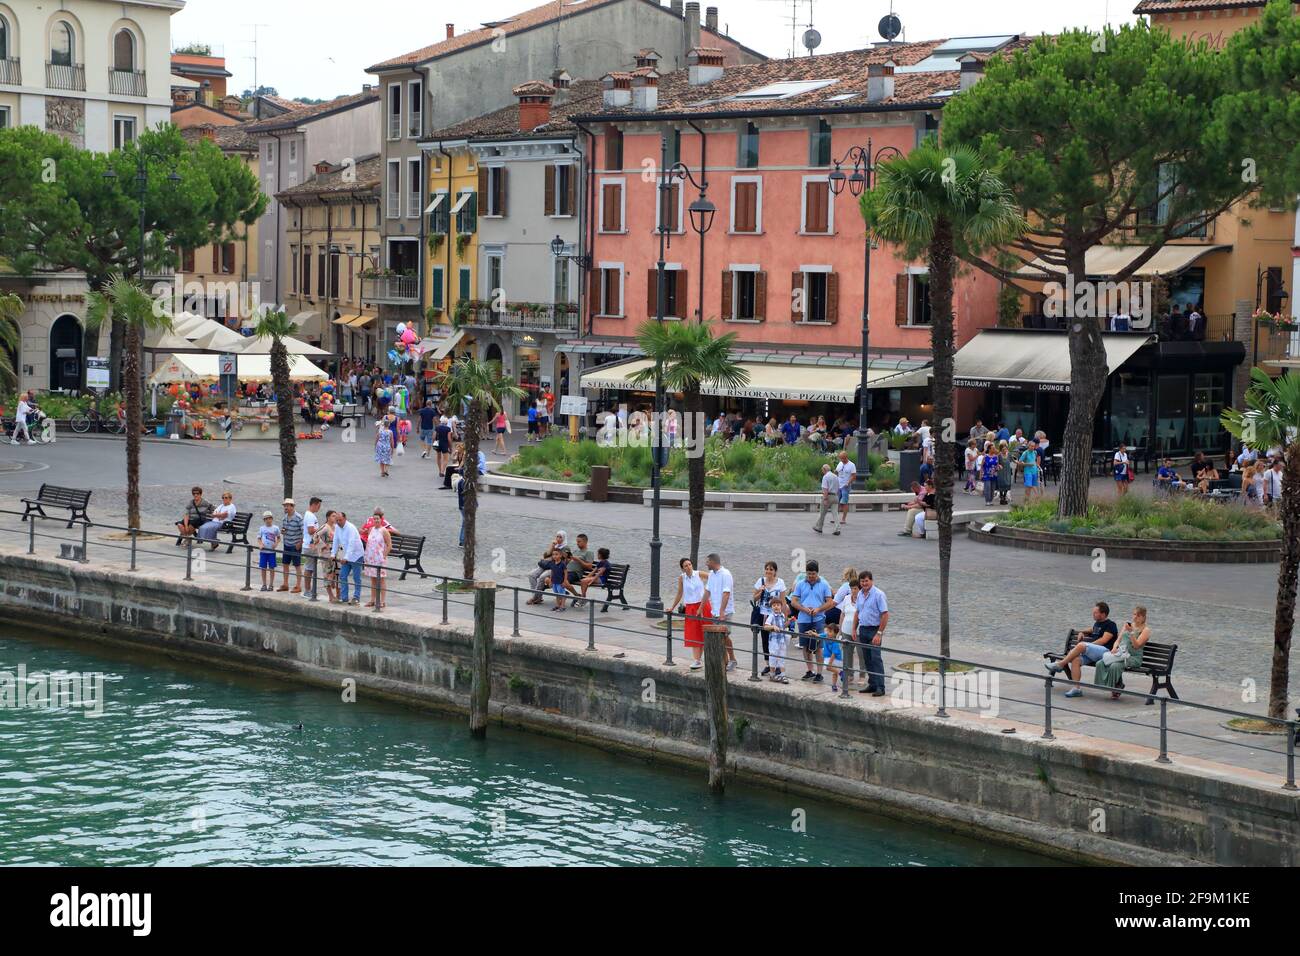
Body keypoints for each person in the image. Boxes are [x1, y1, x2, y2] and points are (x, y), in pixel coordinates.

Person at [1045, 601, 1119, 698]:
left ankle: (1060, 664)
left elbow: (1103, 640)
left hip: (1105, 652)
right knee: (1076, 659)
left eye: (1095, 612)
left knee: (1081, 645)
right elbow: (1092, 630)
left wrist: (1086, 646)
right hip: (1094, 653)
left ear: (1103, 614)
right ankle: (1076, 689)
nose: (1093, 614)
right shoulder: (1097, 623)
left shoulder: (1111, 625)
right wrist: (1082, 632)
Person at [790, 560, 833, 683]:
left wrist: (819, 609)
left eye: (813, 574)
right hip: (803, 619)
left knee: (818, 647)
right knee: (805, 646)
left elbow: (829, 602)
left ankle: (819, 673)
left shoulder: (824, 584)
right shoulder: (800, 584)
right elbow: (793, 601)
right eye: (809, 574)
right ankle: (810, 670)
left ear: (817, 573)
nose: (811, 576)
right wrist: (804, 609)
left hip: (818, 619)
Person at [1094, 606, 1151, 699]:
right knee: (1101, 663)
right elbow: (1118, 640)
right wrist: (1114, 648)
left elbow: (1137, 646)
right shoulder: (1128, 625)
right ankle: (1114, 685)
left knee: (1114, 666)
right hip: (1121, 654)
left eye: (1138, 615)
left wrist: (1131, 633)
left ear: (1143, 617)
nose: (1135, 617)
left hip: (1133, 657)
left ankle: (1116, 687)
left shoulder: (1146, 630)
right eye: (1134, 614)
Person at [855, 570, 889, 696]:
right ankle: (872, 684)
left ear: (871, 581)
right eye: (862, 581)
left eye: (866, 581)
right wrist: (854, 629)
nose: (864, 583)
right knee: (867, 658)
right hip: (863, 629)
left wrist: (879, 633)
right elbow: (857, 612)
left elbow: (885, 614)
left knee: (876, 658)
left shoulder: (879, 594)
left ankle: (881, 687)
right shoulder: (859, 594)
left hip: (875, 630)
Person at [751, 561, 787, 677]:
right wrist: (760, 591)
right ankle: (768, 664)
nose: (768, 571)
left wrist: (785, 617)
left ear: (775, 571)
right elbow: (755, 598)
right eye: (767, 569)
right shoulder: (760, 581)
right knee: (765, 640)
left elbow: (783, 601)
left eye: (771, 569)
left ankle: (777, 666)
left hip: (776, 615)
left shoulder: (780, 582)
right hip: (763, 614)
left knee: (777, 641)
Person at [704, 553, 737, 672]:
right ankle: (724, 661)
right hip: (715, 612)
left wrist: (722, 611)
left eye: (708, 561)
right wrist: (701, 608)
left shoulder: (726, 574)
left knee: (725, 636)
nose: (706, 563)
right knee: (718, 638)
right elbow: (707, 591)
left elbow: (726, 593)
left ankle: (732, 660)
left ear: (713, 562)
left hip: (725, 612)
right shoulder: (712, 574)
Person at [331, 511, 364, 606]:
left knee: (356, 577)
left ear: (345, 519)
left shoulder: (351, 528)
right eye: (337, 520)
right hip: (346, 555)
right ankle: (344, 597)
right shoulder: (337, 527)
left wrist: (346, 557)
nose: (338, 522)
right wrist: (333, 553)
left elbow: (351, 544)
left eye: (340, 520)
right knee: (342, 575)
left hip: (356, 555)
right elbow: (336, 540)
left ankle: (356, 597)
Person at [363, 511, 391, 612]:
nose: (376, 520)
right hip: (371, 558)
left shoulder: (384, 531)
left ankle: (382, 601)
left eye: (377, 519)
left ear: (381, 519)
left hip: (379, 559)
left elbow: (389, 545)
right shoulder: (371, 529)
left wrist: (384, 556)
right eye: (374, 519)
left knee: (381, 579)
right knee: (373, 580)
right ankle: (372, 600)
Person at [761, 593, 792, 684]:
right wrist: (773, 626)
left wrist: (789, 622)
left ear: (781, 606)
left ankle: (783, 675)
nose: (776, 607)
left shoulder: (782, 615)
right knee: (773, 656)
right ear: (771, 607)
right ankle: (772, 674)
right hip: (774, 640)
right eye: (774, 605)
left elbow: (782, 626)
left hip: (781, 640)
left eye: (778, 605)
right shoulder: (771, 616)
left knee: (782, 657)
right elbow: (765, 627)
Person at [277, 498, 305, 593]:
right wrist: (283, 531)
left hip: (295, 545)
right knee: (285, 564)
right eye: (284, 506)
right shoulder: (284, 518)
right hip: (287, 544)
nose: (285, 507)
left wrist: (300, 543)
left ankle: (298, 585)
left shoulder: (298, 517)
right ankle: (285, 584)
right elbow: (284, 529)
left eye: (287, 505)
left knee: (297, 565)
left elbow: (304, 532)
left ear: (292, 506)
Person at [566, 533, 596, 606]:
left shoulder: (589, 552)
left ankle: (577, 596)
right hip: (567, 571)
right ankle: (573, 595)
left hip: (575, 573)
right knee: (552, 578)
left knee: (562, 581)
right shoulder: (576, 551)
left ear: (585, 542)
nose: (577, 543)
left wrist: (578, 560)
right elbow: (569, 561)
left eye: (579, 542)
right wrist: (567, 558)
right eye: (577, 542)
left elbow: (589, 566)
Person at [302, 497, 323, 594]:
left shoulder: (309, 515)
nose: (319, 508)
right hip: (310, 545)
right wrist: (322, 530)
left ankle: (309, 589)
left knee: (310, 568)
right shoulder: (310, 516)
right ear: (314, 505)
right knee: (309, 568)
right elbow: (310, 530)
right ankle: (307, 590)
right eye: (318, 506)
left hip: (310, 544)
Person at [813, 463, 841, 535]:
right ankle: (837, 529)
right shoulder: (835, 476)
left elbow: (825, 489)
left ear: (824, 469)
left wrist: (825, 499)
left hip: (828, 496)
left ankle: (819, 527)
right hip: (835, 496)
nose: (822, 471)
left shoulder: (825, 477)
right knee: (835, 514)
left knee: (822, 513)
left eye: (822, 470)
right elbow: (838, 488)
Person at [256, 511, 280, 592]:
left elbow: (279, 537)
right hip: (263, 552)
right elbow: (259, 538)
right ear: (264, 520)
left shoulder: (275, 528)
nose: (268, 520)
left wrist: (276, 544)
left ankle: (271, 584)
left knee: (272, 568)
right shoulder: (262, 528)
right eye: (266, 519)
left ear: (272, 519)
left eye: (269, 518)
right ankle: (264, 584)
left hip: (271, 552)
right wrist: (260, 544)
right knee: (263, 568)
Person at [822, 617, 845, 694]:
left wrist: (830, 663)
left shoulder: (835, 642)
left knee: (827, 667)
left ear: (835, 633)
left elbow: (834, 654)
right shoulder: (825, 636)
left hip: (834, 658)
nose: (828, 633)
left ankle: (841, 673)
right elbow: (819, 635)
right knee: (834, 673)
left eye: (830, 631)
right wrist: (813, 633)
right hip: (833, 658)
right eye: (827, 631)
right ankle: (834, 685)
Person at [835, 450, 857, 527]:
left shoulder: (851, 465)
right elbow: (837, 472)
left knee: (844, 502)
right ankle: (836, 518)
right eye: (840, 458)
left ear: (846, 457)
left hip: (845, 486)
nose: (841, 460)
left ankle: (843, 519)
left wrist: (848, 482)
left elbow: (854, 476)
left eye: (843, 458)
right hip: (838, 485)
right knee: (836, 502)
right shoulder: (840, 463)